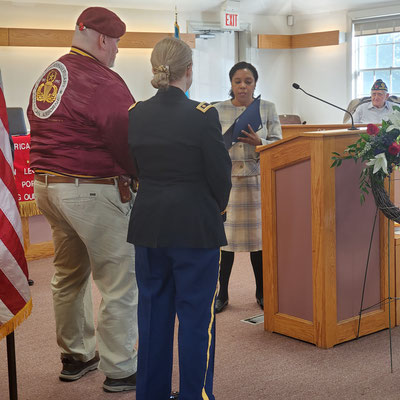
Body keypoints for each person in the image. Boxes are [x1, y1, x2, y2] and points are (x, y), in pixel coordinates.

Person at [27, 7, 138, 393]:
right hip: (91, 189)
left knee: (68, 276)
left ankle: (76, 356)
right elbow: (126, 138)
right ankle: (121, 368)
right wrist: (141, 175)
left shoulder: (50, 74)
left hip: (47, 188)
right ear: (104, 39)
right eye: (117, 44)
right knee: (119, 281)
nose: (118, 52)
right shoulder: (102, 80)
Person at [127, 37, 232, 400]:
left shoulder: (135, 113)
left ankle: (151, 395)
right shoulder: (203, 115)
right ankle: (194, 395)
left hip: (149, 226)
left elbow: (137, 168)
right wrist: (217, 210)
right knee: (195, 320)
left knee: (153, 317)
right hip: (195, 229)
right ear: (189, 70)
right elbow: (221, 177)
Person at [213, 61, 282, 313]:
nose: (243, 86)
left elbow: (279, 144)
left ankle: (262, 292)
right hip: (227, 183)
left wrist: (259, 142)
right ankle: (222, 294)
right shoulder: (216, 110)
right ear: (231, 84)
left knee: (258, 242)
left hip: (255, 183)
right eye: (238, 82)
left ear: (255, 83)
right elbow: (209, 144)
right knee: (225, 242)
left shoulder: (267, 108)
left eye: (248, 81)